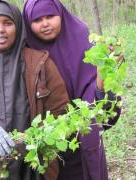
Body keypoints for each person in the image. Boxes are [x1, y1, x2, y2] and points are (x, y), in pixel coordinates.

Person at [0, 0, 70, 179]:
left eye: (8, 23)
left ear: (18, 27)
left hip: (35, 168)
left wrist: (32, 138)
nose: (0, 29)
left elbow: (61, 113)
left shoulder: (41, 64)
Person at [23, 0, 121, 179]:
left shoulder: (80, 38)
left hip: (82, 137)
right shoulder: (25, 50)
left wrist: (103, 74)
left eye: (50, 16)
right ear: (28, 25)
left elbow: (99, 102)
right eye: (37, 20)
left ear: (61, 15)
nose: (45, 24)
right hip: (46, 147)